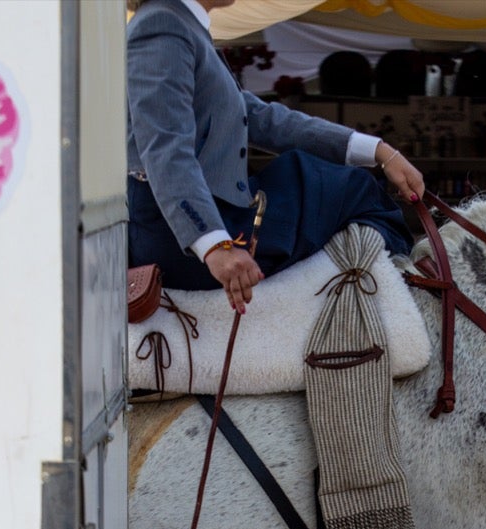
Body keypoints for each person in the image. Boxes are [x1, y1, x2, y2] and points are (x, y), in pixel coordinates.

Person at [126, 0, 426, 315]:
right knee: (351, 187)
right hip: (179, 239)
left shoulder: (180, 23)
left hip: (211, 214)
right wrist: (214, 246)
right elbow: (165, 149)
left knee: (346, 183)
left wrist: (377, 150)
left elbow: (261, 118)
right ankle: (403, 309)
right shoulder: (162, 24)